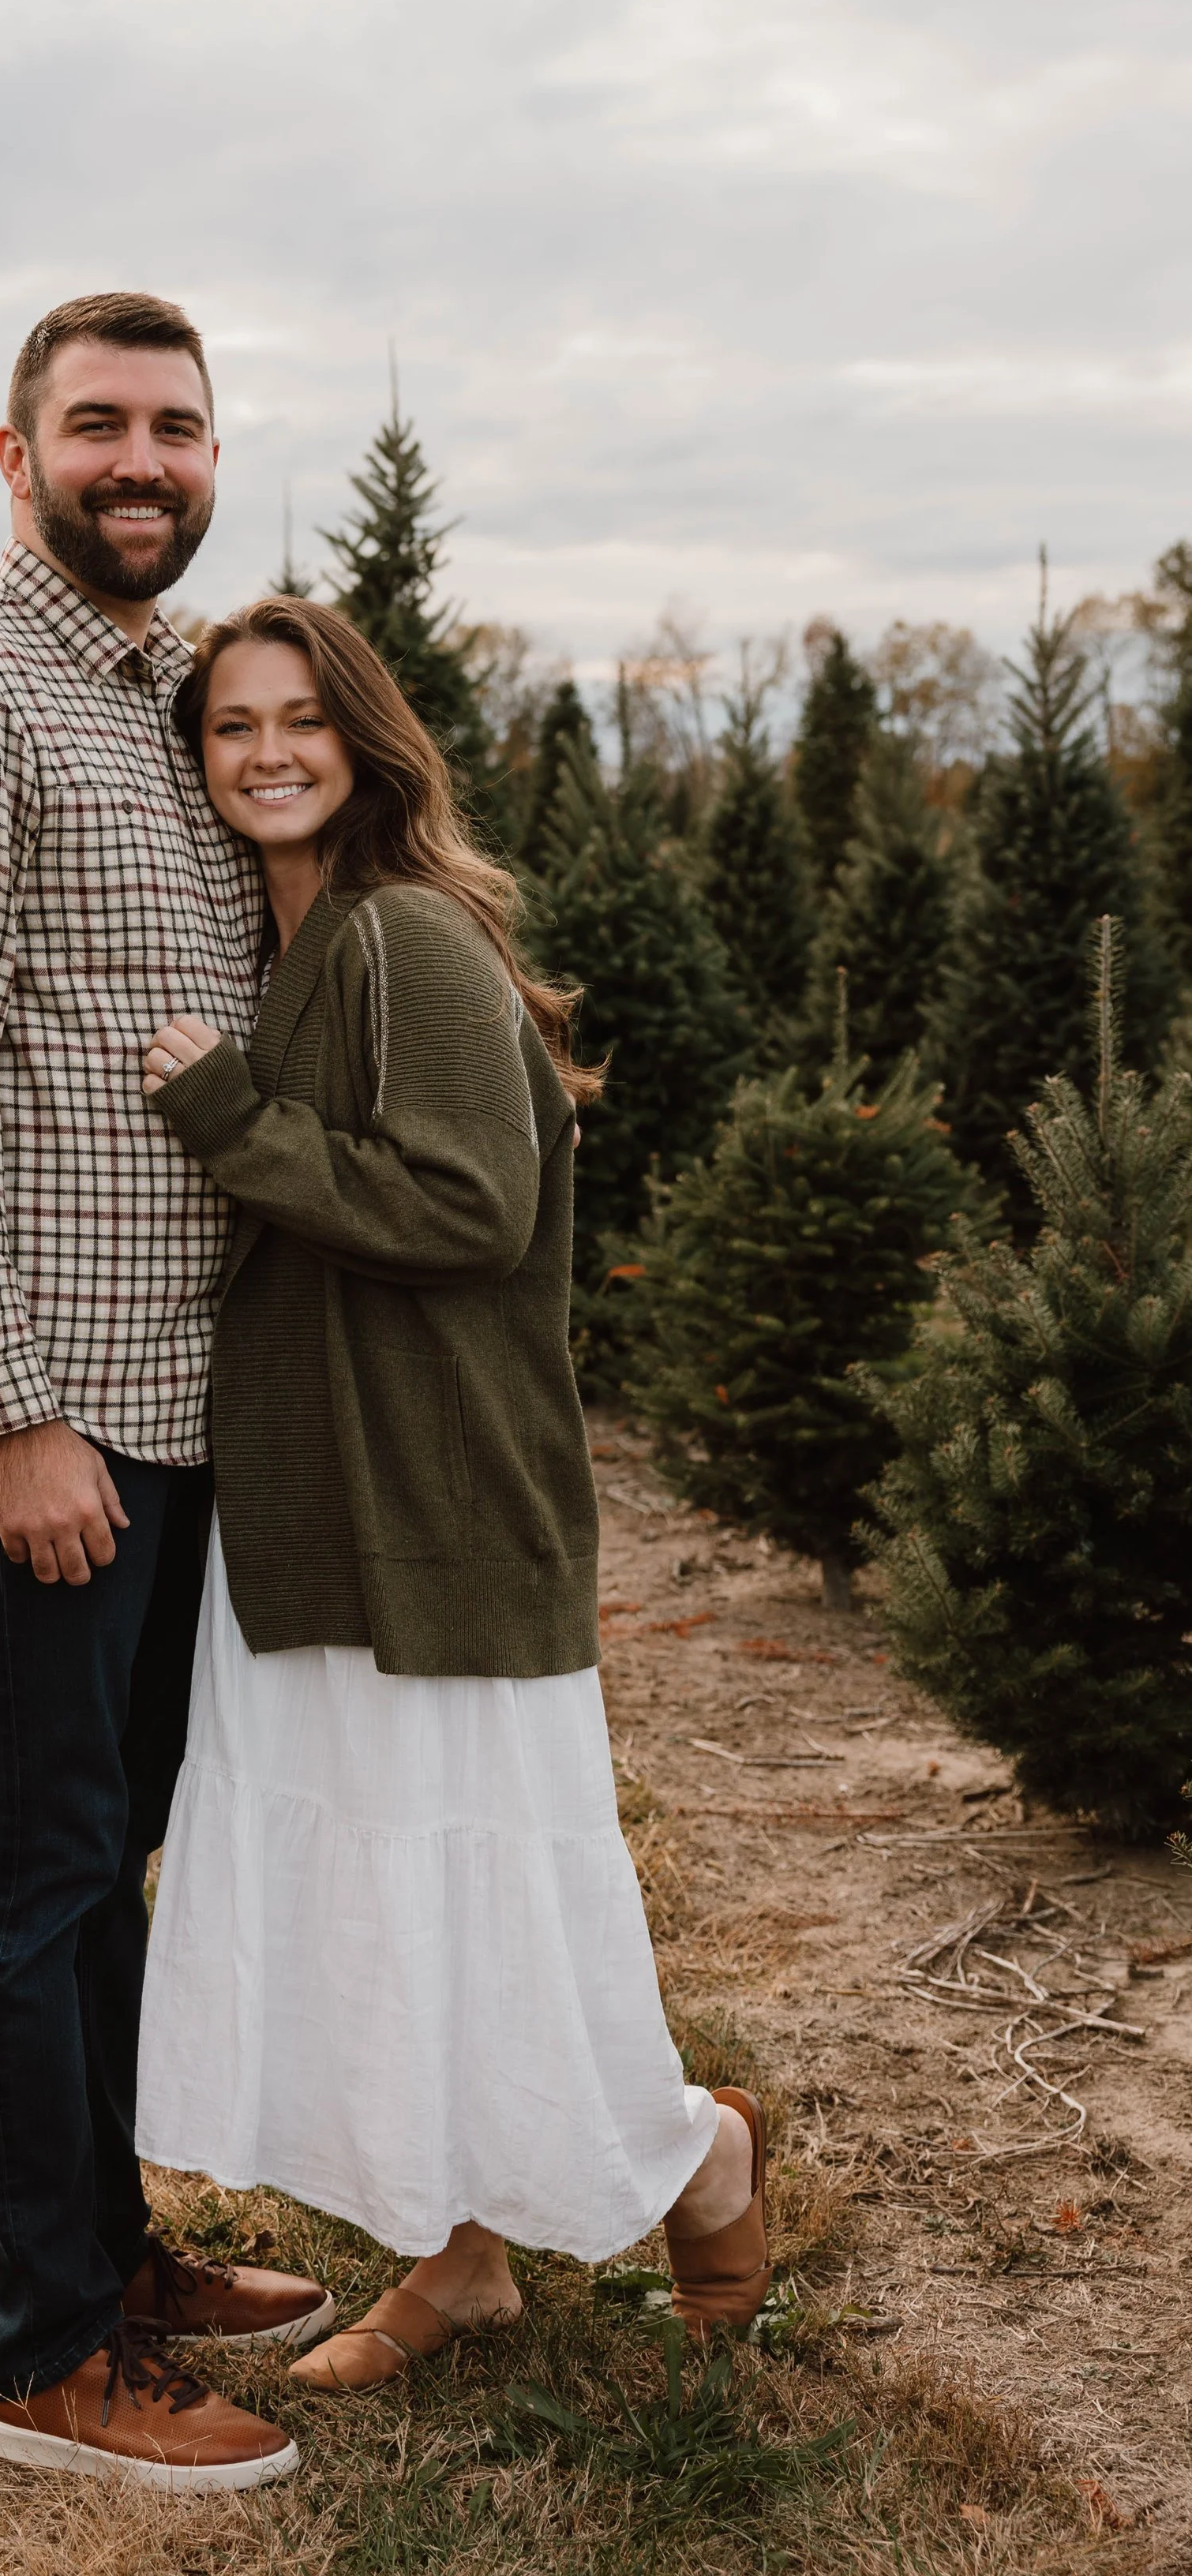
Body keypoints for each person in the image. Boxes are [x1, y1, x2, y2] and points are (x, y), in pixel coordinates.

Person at [135, 597, 770, 2387]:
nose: (262, 751)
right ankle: (455, 2258)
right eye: (226, 726)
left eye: (296, 719)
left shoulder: (402, 933)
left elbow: (461, 1210)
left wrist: (221, 1115)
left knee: (471, 1884)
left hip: (437, 1501)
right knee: (381, 1901)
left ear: (362, 741)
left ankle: (696, 2152)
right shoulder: (307, 938)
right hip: (318, 1505)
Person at [0, 296, 332, 2493]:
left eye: (179, 426)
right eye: (100, 425)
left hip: (196, 1395)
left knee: (115, 1849)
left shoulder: (180, 688)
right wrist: (14, 1410)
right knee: (34, 1865)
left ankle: (113, 2250)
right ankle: (41, 2349)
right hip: (62, 1403)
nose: (145, 458)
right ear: (16, 452)